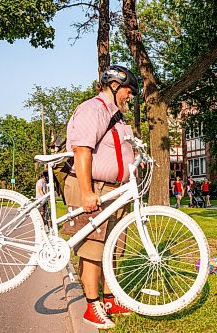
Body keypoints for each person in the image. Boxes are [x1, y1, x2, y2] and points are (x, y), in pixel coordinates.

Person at [63, 65, 137, 329]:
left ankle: (109, 298)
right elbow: (82, 151)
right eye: (129, 90)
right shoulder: (92, 109)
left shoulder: (117, 116)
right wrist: (86, 192)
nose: (131, 96)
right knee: (93, 250)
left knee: (111, 248)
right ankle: (91, 306)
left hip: (115, 191)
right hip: (94, 187)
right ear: (115, 86)